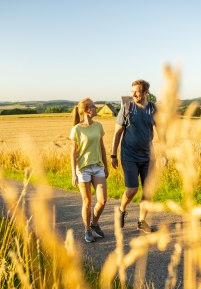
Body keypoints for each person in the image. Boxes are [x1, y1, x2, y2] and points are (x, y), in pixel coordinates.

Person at [111, 79, 166, 233]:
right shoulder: (127, 108)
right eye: (132, 91)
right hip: (129, 156)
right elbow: (117, 134)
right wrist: (113, 155)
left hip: (149, 157)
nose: (133, 94)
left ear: (145, 93)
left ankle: (142, 221)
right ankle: (122, 209)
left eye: (137, 91)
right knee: (132, 189)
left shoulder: (153, 109)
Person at [70, 98, 108, 243]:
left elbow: (102, 147)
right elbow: (73, 152)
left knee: (103, 200)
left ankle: (94, 223)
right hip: (83, 169)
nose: (96, 107)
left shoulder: (98, 126)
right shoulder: (77, 129)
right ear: (86, 110)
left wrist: (106, 166)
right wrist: (74, 173)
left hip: (98, 167)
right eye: (93, 106)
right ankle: (87, 230)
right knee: (87, 202)